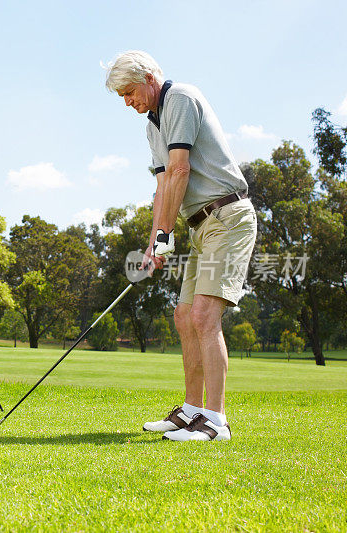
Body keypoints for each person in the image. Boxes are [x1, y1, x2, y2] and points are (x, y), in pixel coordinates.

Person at [105, 51, 257, 441]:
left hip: (228, 218)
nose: (127, 101)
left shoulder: (181, 99)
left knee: (205, 316)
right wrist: (153, 243)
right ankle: (191, 411)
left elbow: (181, 170)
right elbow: (162, 186)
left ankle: (216, 421)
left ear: (150, 77)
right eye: (121, 96)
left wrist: (164, 235)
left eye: (130, 92)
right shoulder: (152, 127)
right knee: (184, 315)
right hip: (201, 227)